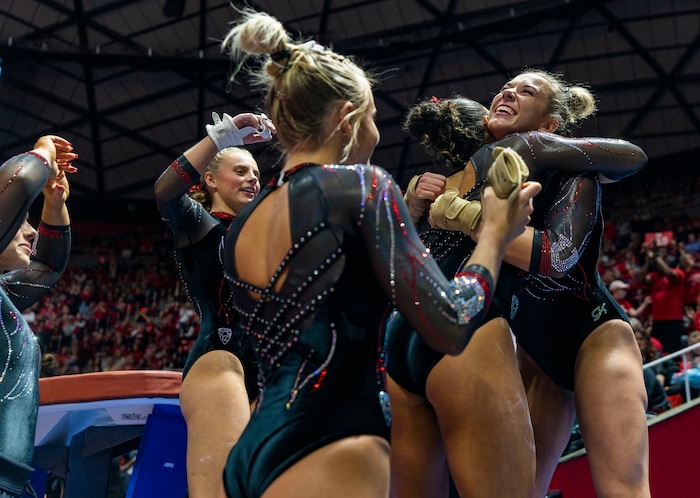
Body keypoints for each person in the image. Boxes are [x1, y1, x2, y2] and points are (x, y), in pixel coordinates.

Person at [216, 9, 540, 498]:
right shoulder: (362, 186)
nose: (374, 132)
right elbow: (448, 322)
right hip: (330, 439)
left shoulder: (239, 228)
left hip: (249, 454)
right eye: (371, 118)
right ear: (347, 118)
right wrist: (495, 234)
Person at [397, 71, 651, 498]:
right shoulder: (474, 182)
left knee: (622, 490)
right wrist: (413, 210)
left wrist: (469, 217)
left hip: (592, 337)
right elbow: (434, 269)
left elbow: (556, 256)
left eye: (526, 91)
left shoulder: (569, 171)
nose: (508, 93)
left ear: (549, 125)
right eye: (504, 88)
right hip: (532, 356)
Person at [154, 113, 273, 498]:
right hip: (221, 361)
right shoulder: (203, 226)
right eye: (240, 170)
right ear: (210, 180)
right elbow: (166, 192)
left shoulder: (266, 238)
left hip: (267, 372)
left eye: (255, 173)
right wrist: (220, 138)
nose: (252, 179)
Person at [0, 135, 76, 497]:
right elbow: (16, 184)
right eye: (21, 220)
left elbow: (48, 266)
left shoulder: (3, 293)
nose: (31, 230)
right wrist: (43, 152)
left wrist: (54, 201)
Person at [636, 241, 687, 353]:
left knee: (673, 351)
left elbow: (668, 273)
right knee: (656, 350)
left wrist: (655, 256)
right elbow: (640, 279)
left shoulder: (678, 273)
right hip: (658, 321)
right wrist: (648, 261)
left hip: (674, 320)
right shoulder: (654, 277)